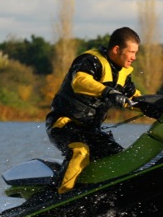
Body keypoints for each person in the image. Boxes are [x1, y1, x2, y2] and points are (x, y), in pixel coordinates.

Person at [46, 27, 142, 194]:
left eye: (136, 52)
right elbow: (80, 82)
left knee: (121, 160)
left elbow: (136, 98)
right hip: (64, 123)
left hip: (91, 131)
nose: (134, 57)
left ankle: (108, 194)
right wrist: (108, 92)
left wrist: (161, 106)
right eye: (131, 52)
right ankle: (61, 197)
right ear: (117, 49)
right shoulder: (91, 61)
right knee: (80, 151)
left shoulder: (123, 74)